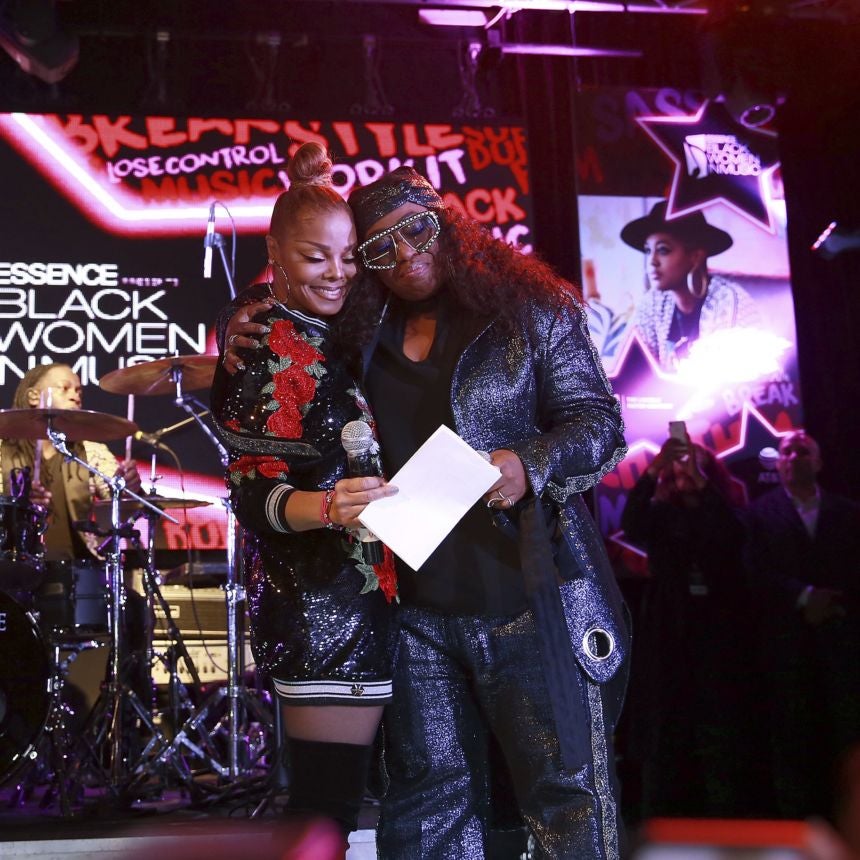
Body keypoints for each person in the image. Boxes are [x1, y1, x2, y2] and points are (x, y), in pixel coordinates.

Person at [224, 165, 630, 859]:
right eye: (379, 248)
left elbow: (599, 424)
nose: (406, 254)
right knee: (425, 811)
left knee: (569, 798)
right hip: (413, 611)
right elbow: (297, 309)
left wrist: (527, 463)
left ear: (449, 224)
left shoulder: (534, 308)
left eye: (417, 230)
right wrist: (241, 317)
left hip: (532, 595)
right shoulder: (358, 328)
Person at [209, 142, 398, 850]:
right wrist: (328, 507)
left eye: (348, 256)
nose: (338, 272)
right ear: (275, 254)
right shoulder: (268, 343)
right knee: (324, 815)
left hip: (363, 598)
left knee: (346, 812)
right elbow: (251, 494)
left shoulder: (328, 331)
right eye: (316, 257)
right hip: (321, 605)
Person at [620, 432, 766, 819]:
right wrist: (655, 467)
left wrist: (700, 480)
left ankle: (726, 820)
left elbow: (732, 535)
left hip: (719, 634)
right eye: (680, 465)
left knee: (720, 733)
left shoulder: (725, 510)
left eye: (694, 464)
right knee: (669, 732)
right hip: (670, 632)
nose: (684, 470)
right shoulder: (661, 514)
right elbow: (632, 523)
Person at [747, 430, 860, 819]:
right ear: (778, 464)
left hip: (842, 647)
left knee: (844, 740)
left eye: (803, 451)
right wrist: (803, 597)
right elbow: (754, 572)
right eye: (787, 452)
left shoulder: (849, 513)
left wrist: (833, 601)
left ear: (819, 462)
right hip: (787, 649)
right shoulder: (759, 514)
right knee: (794, 742)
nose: (794, 457)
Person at [0, 362, 141, 562]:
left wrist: (126, 487)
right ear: (33, 396)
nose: (75, 396)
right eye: (65, 388)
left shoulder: (91, 451)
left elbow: (116, 494)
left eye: (78, 391)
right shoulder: (2, 449)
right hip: (9, 568)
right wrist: (15, 503)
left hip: (76, 569)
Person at [620, 200, 761, 371]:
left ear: (695, 257)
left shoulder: (728, 300)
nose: (652, 261)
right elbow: (631, 366)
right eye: (648, 250)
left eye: (663, 250)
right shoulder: (652, 303)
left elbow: (732, 376)